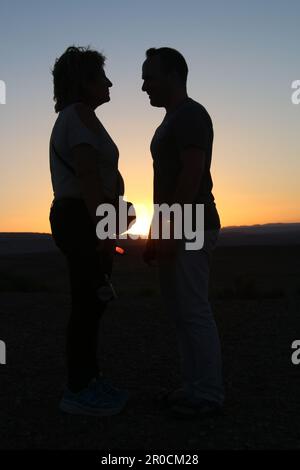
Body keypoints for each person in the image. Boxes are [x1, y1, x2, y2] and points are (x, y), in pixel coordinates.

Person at [142, 47, 224, 418]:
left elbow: (192, 175)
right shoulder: (172, 119)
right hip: (176, 224)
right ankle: (194, 387)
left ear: (173, 76)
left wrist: (170, 230)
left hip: (191, 223)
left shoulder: (191, 114)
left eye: (150, 76)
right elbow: (167, 183)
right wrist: (155, 235)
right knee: (179, 312)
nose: (144, 86)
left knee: (193, 310)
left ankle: (208, 394)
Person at [49, 46, 130, 416]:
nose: (109, 82)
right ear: (84, 82)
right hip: (83, 218)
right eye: (102, 77)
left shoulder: (77, 116)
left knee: (94, 301)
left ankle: (89, 379)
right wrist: (104, 227)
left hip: (86, 217)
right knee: (88, 303)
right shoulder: (78, 115)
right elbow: (85, 173)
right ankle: (78, 391)